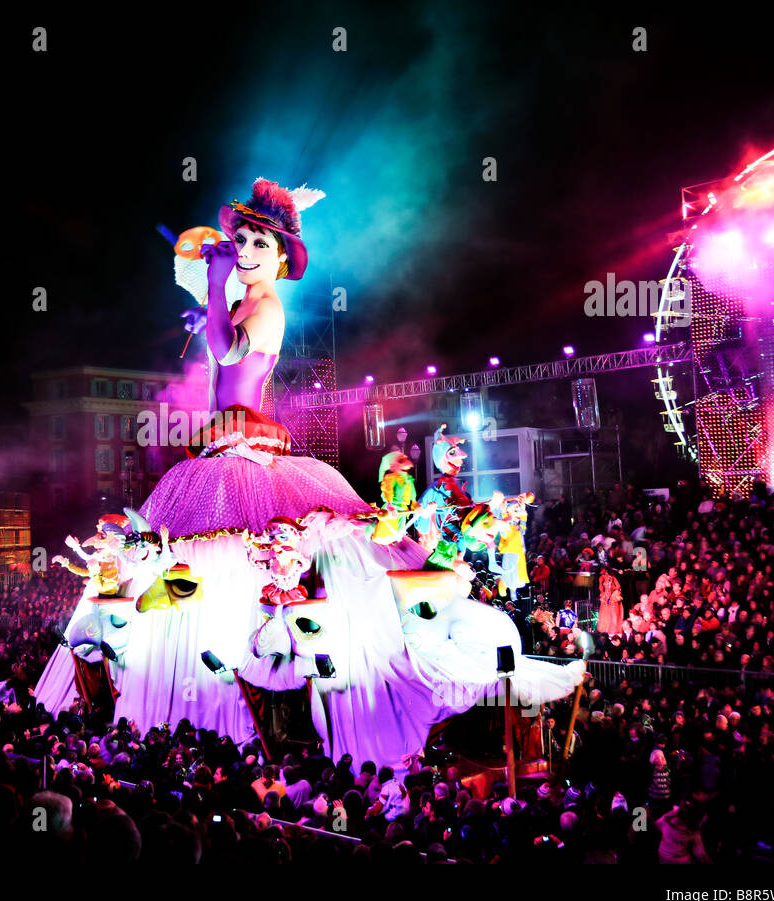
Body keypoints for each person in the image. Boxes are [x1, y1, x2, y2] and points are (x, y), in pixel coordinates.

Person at [32, 178, 583, 771]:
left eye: (258, 245)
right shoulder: (244, 303)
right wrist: (210, 303)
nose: (244, 253)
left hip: (245, 442)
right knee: (181, 556)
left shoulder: (267, 308)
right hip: (221, 445)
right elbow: (218, 349)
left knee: (246, 550)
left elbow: (227, 352)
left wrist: (215, 289)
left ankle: (261, 705)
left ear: (279, 258)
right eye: (241, 240)